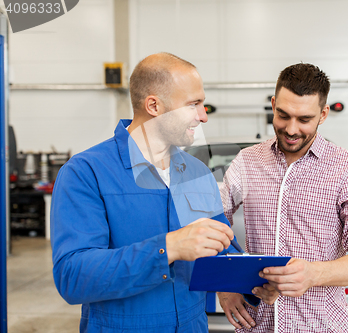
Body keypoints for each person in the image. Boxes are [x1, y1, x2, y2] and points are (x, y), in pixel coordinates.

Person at [51, 53, 240, 333]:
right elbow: (73, 277)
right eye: (193, 104)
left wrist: (249, 280)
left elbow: (221, 246)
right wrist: (169, 248)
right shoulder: (86, 173)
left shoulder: (197, 173)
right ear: (154, 105)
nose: (203, 116)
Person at [218, 63, 348, 333]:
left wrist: (314, 274)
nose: (292, 129)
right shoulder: (247, 162)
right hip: (257, 325)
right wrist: (223, 287)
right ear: (273, 104)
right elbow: (213, 223)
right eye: (283, 115)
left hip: (320, 325)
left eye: (304, 119)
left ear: (323, 114)